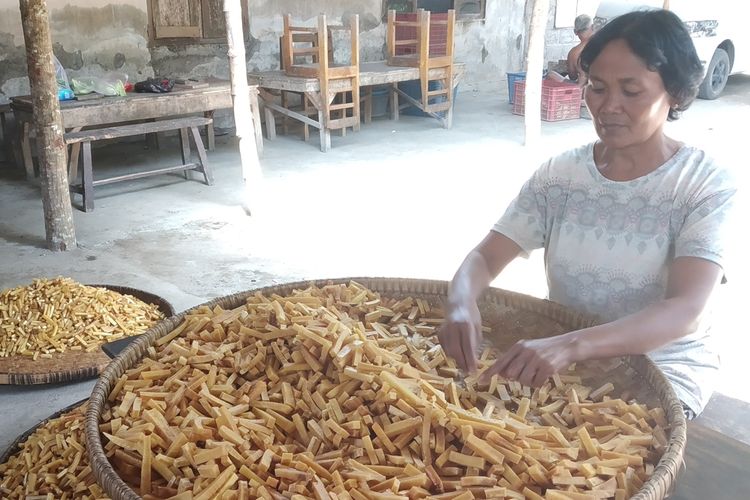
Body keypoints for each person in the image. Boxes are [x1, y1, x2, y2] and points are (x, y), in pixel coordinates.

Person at [438, 10, 736, 419]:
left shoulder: (702, 185)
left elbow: (686, 309)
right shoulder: (562, 176)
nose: (609, 106)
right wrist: (460, 301)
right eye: (596, 87)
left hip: (662, 372)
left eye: (631, 91)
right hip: (564, 369)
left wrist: (573, 344)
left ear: (676, 94)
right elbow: (484, 258)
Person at [567, 14, 594, 83]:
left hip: (582, 87)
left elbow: (572, 76)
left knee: (552, 74)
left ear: (575, 32)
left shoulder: (573, 53)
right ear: (592, 27)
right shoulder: (603, 44)